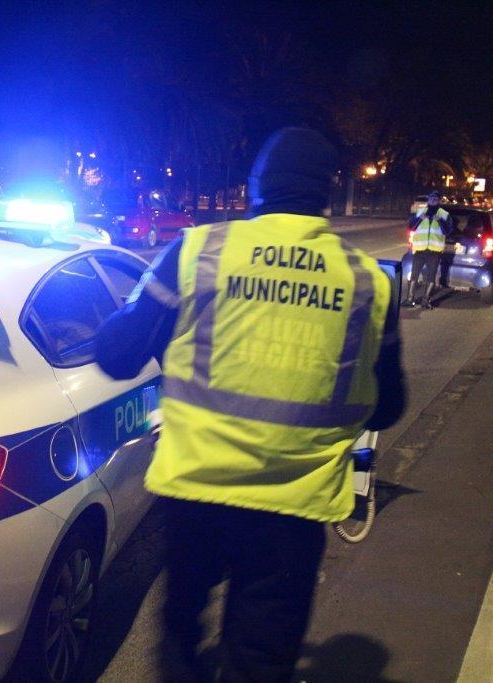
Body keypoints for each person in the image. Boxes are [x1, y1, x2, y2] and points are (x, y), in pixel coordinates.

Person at [95, 128, 405, 682]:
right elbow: (386, 409)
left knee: (181, 637)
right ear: (326, 195)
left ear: (257, 187)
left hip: (199, 491)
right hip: (294, 507)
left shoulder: (198, 250)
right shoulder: (368, 282)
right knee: (260, 659)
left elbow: (118, 355)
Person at [405, 190, 452, 309]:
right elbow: (411, 226)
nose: (433, 200)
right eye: (431, 198)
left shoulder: (444, 214)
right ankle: (410, 299)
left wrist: (440, 220)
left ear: (439, 200)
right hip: (420, 250)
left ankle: (426, 301)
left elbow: (448, 231)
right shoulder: (420, 212)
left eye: (436, 198)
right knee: (414, 275)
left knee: (431, 277)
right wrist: (419, 218)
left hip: (434, 251)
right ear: (428, 200)